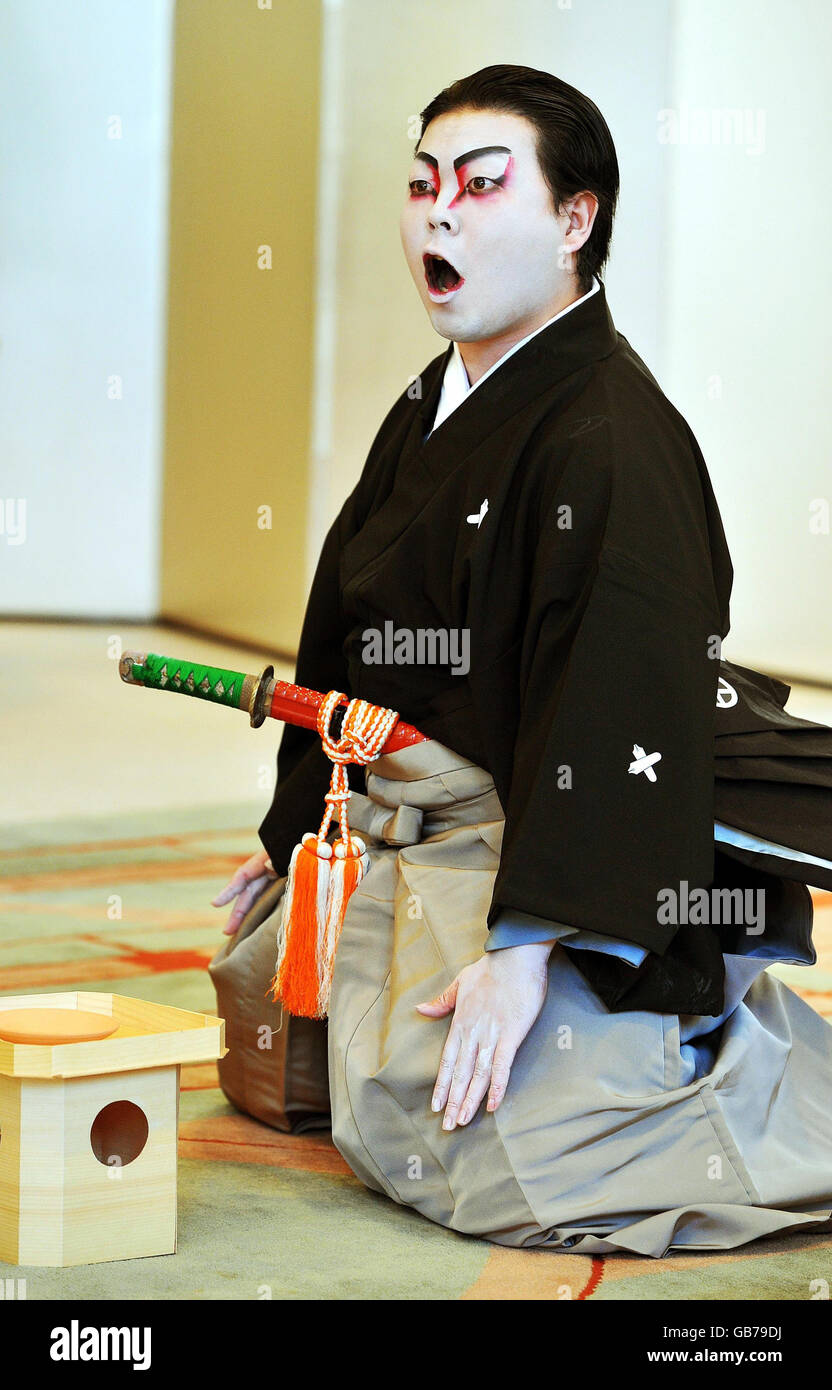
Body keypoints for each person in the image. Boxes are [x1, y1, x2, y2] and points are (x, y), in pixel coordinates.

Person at [211, 65, 832, 1256]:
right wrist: (298, 830)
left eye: (481, 186)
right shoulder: (437, 396)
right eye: (421, 185)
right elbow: (341, 628)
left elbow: (619, 694)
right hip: (413, 824)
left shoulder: (611, 435)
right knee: (330, 1076)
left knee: (512, 1170)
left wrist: (529, 939)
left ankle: (738, 1077)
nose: (436, 212)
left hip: (534, 836)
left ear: (572, 221)